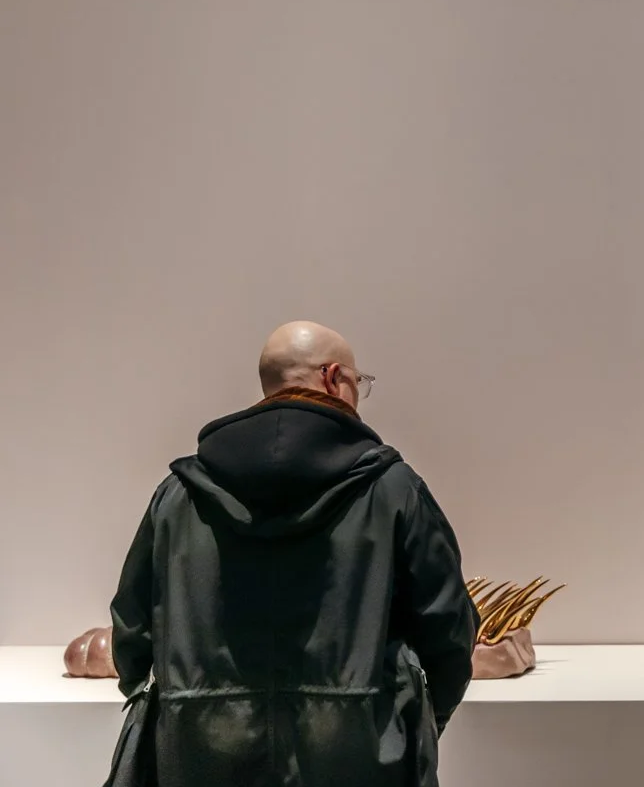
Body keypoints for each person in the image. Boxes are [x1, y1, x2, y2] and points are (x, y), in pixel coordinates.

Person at [108, 321, 479, 787]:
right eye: (358, 381)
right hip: (363, 760)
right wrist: (414, 725)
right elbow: (447, 631)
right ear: (333, 377)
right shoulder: (392, 489)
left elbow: (132, 627)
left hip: (201, 755)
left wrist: (185, 708)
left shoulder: (180, 495)